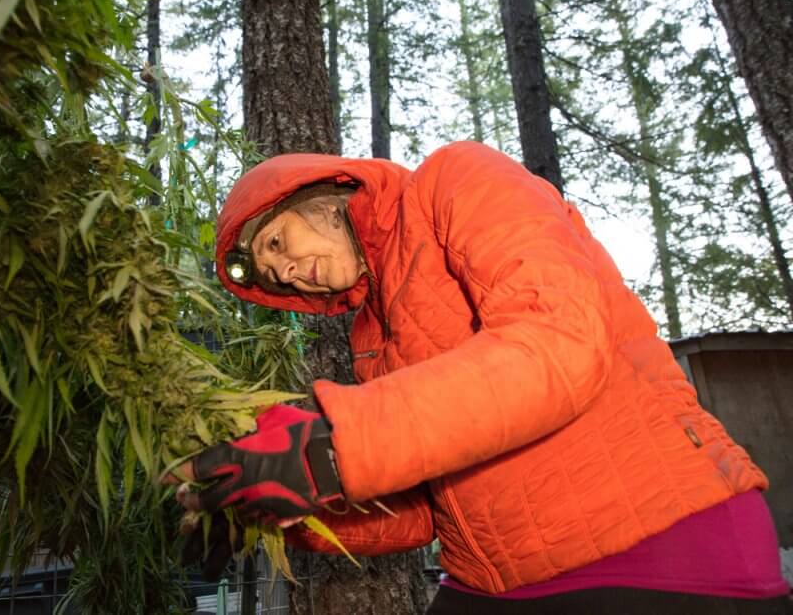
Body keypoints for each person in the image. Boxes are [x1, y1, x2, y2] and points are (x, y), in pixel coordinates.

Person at [166, 142, 792, 613]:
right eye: (271, 276)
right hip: (491, 577)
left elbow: (559, 342)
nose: (283, 273)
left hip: (653, 546)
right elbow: (424, 512)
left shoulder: (457, 179)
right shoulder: (372, 335)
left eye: (277, 242)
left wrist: (327, 453)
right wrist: (288, 505)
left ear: (322, 195)